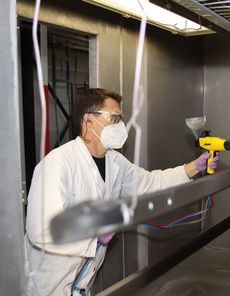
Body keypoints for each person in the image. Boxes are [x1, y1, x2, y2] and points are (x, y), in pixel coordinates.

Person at [25, 88, 219, 296]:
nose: (120, 125)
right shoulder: (58, 162)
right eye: (114, 118)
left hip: (82, 282)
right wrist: (95, 236)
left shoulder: (114, 161)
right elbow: (41, 230)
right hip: (46, 285)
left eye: (120, 118)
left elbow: (149, 182)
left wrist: (193, 168)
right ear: (89, 120)